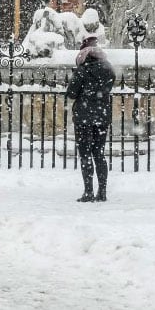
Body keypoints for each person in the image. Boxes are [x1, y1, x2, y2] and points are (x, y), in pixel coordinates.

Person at [66, 36, 116, 202]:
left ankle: (88, 192)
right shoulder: (109, 68)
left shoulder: (82, 71)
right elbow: (108, 88)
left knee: (86, 154)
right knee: (99, 154)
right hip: (102, 117)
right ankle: (102, 192)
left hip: (84, 118)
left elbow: (71, 94)